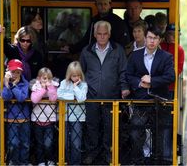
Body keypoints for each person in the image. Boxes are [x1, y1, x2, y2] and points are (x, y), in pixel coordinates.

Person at [80, 21, 130, 164]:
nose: (102, 37)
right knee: (92, 126)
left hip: (112, 96)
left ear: (109, 34)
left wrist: (124, 87)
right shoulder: (86, 50)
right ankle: (92, 152)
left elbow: (123, 71)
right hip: (91, 96)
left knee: (110, 126)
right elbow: (80, 72)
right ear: (95, 35)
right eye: (99, 34)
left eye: (105, 34)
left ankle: (108, 152)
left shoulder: (118, 49)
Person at [126, 27, 175, 164]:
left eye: (155, 38)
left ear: (159, 40)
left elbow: (170, 77)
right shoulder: (135, 55)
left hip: (159, 101)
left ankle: (157, 161)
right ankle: (138, 160)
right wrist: (140, 84)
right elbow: (128, 75)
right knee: (135, 133)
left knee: (159, 134)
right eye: (149, 37)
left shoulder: (166, 56)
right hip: (140, 102)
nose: (152, 41)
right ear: (145, 38)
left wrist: (152, 81)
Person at [57, 61, 88, 165]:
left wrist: (74, 87)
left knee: (76, 143)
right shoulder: (63, 83)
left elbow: (81, 98)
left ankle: (75, 163)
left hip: (78, 117)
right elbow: (59, 95)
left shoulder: (83, 84)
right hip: (64, 115)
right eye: (74, 75)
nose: (76, 77)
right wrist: (72, 97)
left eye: (78, 75)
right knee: (64, 142)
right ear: (69, 74)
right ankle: (65, 161)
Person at [1, 59, 30, 165]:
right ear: (8, 72)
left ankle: (24, 162)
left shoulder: (25, 83)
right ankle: (14, 162)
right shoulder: (5, 82)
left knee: (25, 143)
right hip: (11, 118)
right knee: (13, 143)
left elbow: (22, 97)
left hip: (24, 118)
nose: (15, 74)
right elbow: (5, 96)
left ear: (21, 72)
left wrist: (13, 86)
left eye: (18, 72)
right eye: (13, 72)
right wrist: (7, 83)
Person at [30, 67, 59, 166]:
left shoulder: (53, 87)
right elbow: (34, 99)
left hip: (49, 121)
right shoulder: (35, 87)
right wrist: (42, 89)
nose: (46, 80)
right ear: (39, 78)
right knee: (39, 143)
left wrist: (50, 87)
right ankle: (41, 161)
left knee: (48, 143)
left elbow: (53, 98)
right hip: (38, 120)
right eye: (44, 78)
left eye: (48, 78)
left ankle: (50, 159)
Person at [160, 24, 185, 99]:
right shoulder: (159, 46)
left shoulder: (179, 49)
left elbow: (179, 68)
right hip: (156, 83)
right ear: (166, 34)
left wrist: (168, 76)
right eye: (171, 34)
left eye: (176, 34)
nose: (173, 36)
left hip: (170, 85)